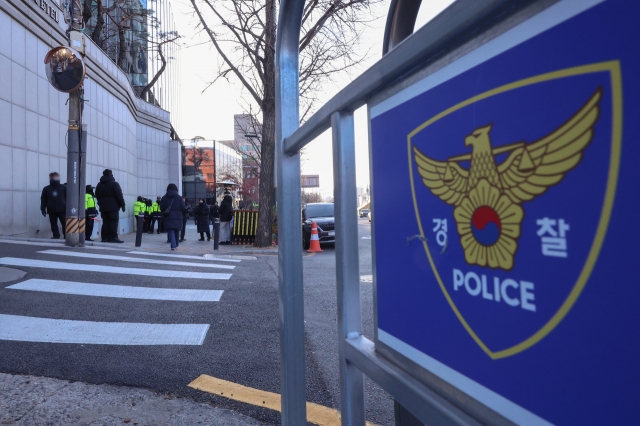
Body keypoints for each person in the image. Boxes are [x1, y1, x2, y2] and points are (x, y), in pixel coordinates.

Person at [95, 169, 125, 243]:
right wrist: (122, 205)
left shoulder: (99, 184)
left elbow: (97, 195)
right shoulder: (114, 184)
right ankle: (113, 237)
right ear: (111, 174)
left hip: (103, 207)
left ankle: (104, 238)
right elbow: (119, 195)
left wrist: (100, 203)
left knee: (105, 222)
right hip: (113, 207)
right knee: (113, 222)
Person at [160, 183, 186, 251]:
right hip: (178, 216)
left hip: (168, 216)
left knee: (170, 230)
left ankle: (173, 245)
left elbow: (161, 207)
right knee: (177, 230)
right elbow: (183, 207)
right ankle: (176, 244)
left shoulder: (164, 198)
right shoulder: (179, 198)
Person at [40, 172, 67, 239]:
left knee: (64, 223)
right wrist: (43, 208)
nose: (54, 178)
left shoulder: (64, 187)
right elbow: (43, 199)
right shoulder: (46, 189)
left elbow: (68, 198)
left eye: (56, 177)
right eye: (53, 177)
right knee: (53, 224)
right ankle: (56, 235)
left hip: (62, 208)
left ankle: (66, 236)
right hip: (51, 209)